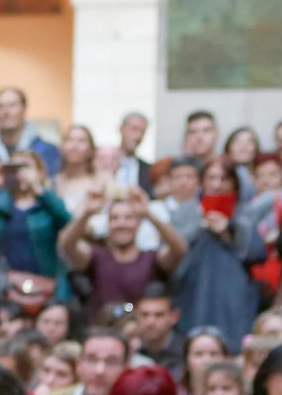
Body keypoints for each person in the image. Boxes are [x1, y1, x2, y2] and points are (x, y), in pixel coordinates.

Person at [175, 157, 266, 343]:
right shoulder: (187, 211)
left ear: (234, 183)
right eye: (211, 178)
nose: (216, 185)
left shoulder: (247, 212)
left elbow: (257, 253)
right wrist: (200, 226)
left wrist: (228, 231)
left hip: (233, 293)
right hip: (194, 289)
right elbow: (174, 255)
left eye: (224, 179)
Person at [60, 188, 184, 317]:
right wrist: (87, 213)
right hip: (102, 331)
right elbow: (67, 245)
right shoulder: (96, 256)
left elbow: (179, 248)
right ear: (108, 224)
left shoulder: (151, 258)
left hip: (142, 330)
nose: (121, 224)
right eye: (114, 218)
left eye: (129, 218)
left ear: (139, 223)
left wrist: (147, 213)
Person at [0, 149, 72, 307]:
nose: (21, 174)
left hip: (45, 285)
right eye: (15, 169)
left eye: (27, 168)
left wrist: (39, 189)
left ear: (40, 172)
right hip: (4, 287)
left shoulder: (47, 204)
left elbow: (66, 220)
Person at [0, 87, 62, 178]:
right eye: (0, 106)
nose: (6, 112)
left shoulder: (47, 151)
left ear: (24, 109)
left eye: (12, 105)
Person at [132, 284, 184, 373]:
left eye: (159, 315)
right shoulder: (130, 350)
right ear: (136, 315)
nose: (150, 322)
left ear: (174, 316)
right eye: (144, 314)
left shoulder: (186, 351)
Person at [52, 124, 101, 204]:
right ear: (61, 147)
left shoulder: (101, 180)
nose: (74, 146)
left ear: (91, 149)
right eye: (69, 140)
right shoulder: (53, 182)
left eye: (81, 141)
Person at [117, 112, 155, 193]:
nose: (138, 136)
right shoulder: (101, 162)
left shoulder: (148, 170)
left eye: (142, 132)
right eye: (134, 129)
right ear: (121, 129)